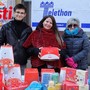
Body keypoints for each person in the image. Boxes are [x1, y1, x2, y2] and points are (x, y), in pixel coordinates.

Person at [0, 4, 32, 75]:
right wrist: (4, 50)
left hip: (22, 61)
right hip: (7, 62)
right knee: (7, 81)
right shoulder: (6, 27)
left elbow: (30, 45)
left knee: (20, 81)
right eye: (17, 12)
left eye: (22, 13)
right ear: (14, 13)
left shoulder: (28, 29)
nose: (19, 14)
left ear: (25, 15)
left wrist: (26, 55)